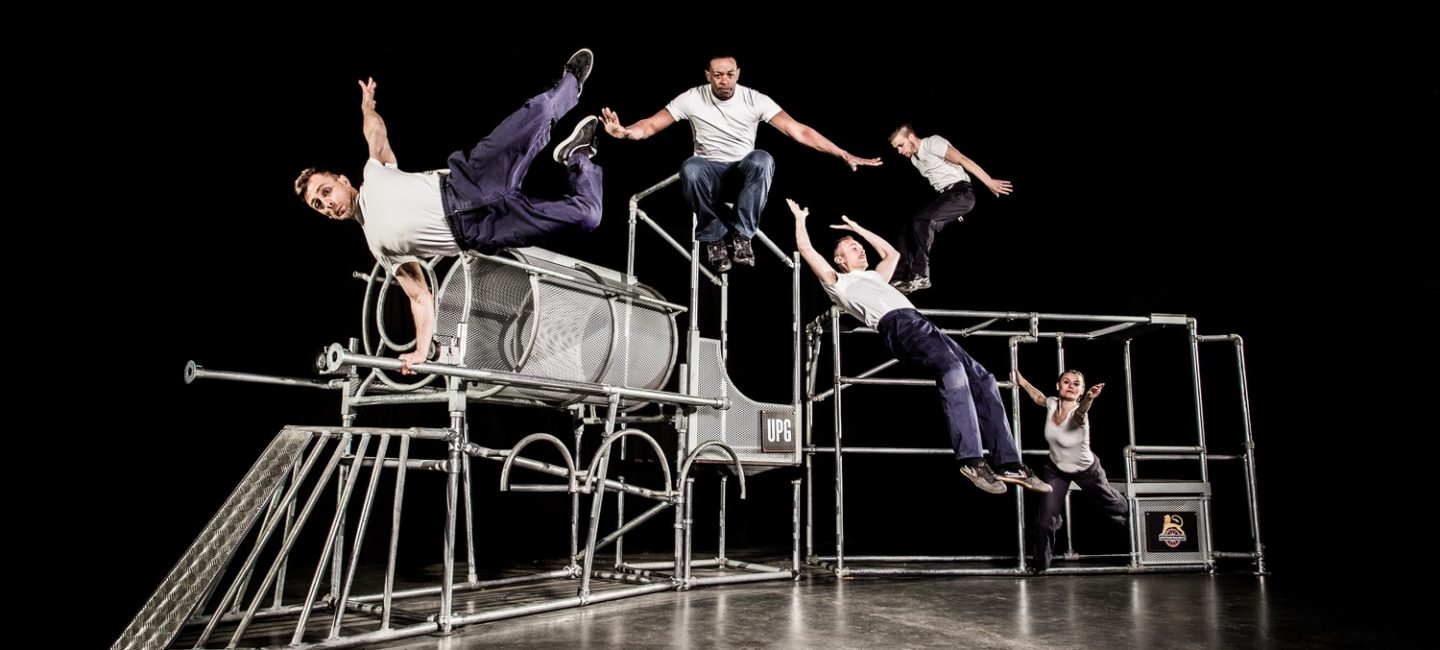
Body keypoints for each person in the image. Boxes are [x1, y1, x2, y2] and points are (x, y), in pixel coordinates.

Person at [295, 49, 604, 374]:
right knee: (587, 216)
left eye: (326, 192)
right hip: (482, 229)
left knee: (540, 111)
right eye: (319, 204)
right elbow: (419, 297)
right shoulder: (379, 248)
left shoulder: (374, 172)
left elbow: (375, 133)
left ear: (343, 181)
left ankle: (571, 84)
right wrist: (421, 349)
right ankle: (578, 156)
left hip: (468, 182)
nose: (327, 204)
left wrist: (367, 108)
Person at [787, 198, 1049, 495]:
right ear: (839, 260)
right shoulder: (838, 283)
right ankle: (972, 460)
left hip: (922, 323)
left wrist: (858, 229)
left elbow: (891, 253)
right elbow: (807, 251)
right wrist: (800, 219)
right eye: (851, 247)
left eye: (858, 245)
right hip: (898, 326)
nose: (859, 248)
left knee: (984, 379)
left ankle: (1010, 463)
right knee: (952, 371)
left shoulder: (874, 277)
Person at [600, 56, 882, 273]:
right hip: (708, 174)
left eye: (730, 75)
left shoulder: (754, 99)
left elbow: (798, 130)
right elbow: (651, 124)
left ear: (738, 74)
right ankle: (714, 238)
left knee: (762, 159)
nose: (724, 81)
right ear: (708, 76)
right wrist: (627, 132)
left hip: (741, 174)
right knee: (691, 167)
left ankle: (743, 235)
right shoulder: (692, 97)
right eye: (718, 75)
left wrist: (841, 152)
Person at [1013, 369, 1130, 573]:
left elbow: (1081, 412)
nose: (1070, 386)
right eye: (1066, 382)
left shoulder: (1079, 414)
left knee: (1113, 504)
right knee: (1044, 521)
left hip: (1086, 471)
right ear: (1058, 386)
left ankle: (1128, 509)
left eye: (1076, 384)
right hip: (1056, 469)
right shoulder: (1051, 404)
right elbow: (1037, 396)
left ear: (1081, 390)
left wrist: (1089, 399)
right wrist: (1022, 381)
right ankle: (1040, 565)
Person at [885, 124, 1012, 294]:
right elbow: (939, 181)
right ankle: (899, 279)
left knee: (922, 221)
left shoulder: (932, 143)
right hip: (949, 197)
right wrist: (948, 210)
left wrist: (989, 181)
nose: (899, 151)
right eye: (896, 148)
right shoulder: (915, 160)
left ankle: (921, 274)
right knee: (907, 230)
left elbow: (962, 159)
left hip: (962, 192)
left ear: (911, 138)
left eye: (900, 146)